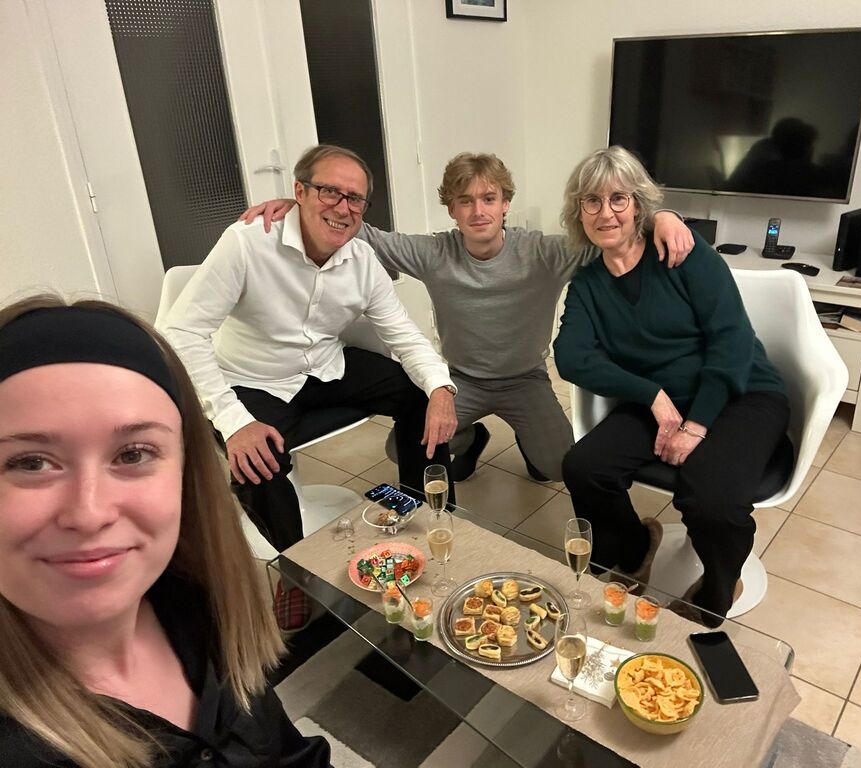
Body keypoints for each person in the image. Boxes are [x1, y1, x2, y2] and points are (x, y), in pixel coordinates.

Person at [0, 296, 330, 767]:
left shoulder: (195, 603)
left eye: (133, 454)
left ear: (186, 475)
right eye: (30, 462)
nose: (89, 514)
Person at [241, 152, 693, 483]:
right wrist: (300, 204)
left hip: (525, 379)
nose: (478, 211)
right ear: (451, 209)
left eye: (489, 198)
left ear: (505, 204)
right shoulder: (434, 253)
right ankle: (471, 441)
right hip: (461, 381)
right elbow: (361, 230)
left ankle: (531, 444)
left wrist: (664, 217)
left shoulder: (543, 252)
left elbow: (612, 234)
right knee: (403, 451)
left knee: (559, 467)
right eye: (465, 201)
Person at [159, 144, 458, 554]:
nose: (342, 207)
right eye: (329, 191)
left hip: (324, 366)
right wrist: (233, 420)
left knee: (421, 394)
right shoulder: (247, 244)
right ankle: (297, 566)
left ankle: (427, 513)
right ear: (299, 191)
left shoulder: (362, 260)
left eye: (355, 198)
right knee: (256, 465)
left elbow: (404, 335)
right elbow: (180, 332)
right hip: (252, 378)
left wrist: (440, 388)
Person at [554, 147, 790, 626]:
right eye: (591, 201)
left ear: (638, 204)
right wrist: (653, 397)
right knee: (584, 466)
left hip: (743, 393)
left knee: (710, 498)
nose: (606, 213)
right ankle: (635, 547)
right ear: (579, 212)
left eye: (618, 199)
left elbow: (732, 340)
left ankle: (719, 587)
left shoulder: (681, 253)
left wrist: (697, 424)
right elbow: (570, 357)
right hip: (661, 402)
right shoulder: (588, 284)